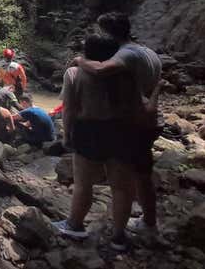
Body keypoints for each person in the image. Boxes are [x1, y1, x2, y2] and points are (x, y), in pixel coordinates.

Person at [74, 12, 163, 246]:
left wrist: (79, 61)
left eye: (100, 30)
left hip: (130, 125)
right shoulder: (148, 52)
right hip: (148, 121)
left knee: (121, 183)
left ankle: (118, 235)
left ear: (109, 33)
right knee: (143, 176)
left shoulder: (125, 54)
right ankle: (149, 224)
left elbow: (101, 70)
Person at [53, 34, 137, 250]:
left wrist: (66, 134)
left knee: (83, 183)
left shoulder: (74, 73)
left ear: (86, 51)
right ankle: (119, 236)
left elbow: (69, 109)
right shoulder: (125, 74)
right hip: (121, 130)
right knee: (121, 187)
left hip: (88, 130)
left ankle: (75, 225)